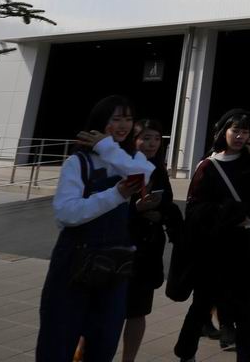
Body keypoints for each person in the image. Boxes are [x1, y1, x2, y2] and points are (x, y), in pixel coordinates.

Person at [36, 95, 155, 362]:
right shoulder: (78, 163)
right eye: (116, 119)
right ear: (101, 121)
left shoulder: (131, 159)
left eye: (128, 119)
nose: (124, 125)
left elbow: (143, 175)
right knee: (59, 338)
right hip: (74, 261)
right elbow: (66, 213)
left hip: (114, 263)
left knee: (104, 340)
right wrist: (115, 194)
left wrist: (107, 147)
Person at [173, 109, 250, 362]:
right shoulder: (208, 166)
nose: (240, 136)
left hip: (244, 244)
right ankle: (186, 353)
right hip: (214, 247)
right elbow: (194, 210)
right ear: (223, 132)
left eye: (245, 131)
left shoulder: (249, 161)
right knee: (202, 304)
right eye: (235, 130)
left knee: (247, 309)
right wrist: (232, 212)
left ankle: (245, 357)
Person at [121, 119, 177, 362]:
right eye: (145, 138)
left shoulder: (158, 169)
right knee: (108, 308)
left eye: (156, 138)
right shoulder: (122, 166)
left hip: (147, 250)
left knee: (138, 311)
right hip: (120, 248)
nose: (152, 143)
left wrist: (160, 213)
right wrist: (135, 210)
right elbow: (107, 206)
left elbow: (169, 201)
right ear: (133, 140)